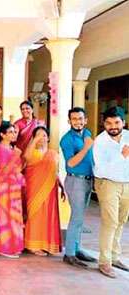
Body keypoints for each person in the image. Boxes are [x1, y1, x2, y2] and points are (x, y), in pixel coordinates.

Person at [93, 107, 129, 278]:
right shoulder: (100, 142)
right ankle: (105, 261)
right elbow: (101, 168)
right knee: (110, 222)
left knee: (121, 221)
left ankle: (115, 256)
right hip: (107, 183)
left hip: (127, 184)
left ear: (123, 122)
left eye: (116, 122)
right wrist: (121, 156)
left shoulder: (128, 136)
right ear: (104, 124)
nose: (113, 126)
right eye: (109, 123)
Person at [59, 107, 96, 268]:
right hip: (75, 181)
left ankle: (77, 248)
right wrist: (86, 147)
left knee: (81, 218)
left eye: (80, 118)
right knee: (76, 217)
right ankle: (69, 254)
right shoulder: (66, 139)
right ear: (69, 121)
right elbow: (71, 163)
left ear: (85, 120)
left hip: (88, 179)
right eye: (74, 119)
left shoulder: (86, 133)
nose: (78, 122)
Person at [23, 126, 62, 256]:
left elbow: (55, 172)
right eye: (38, 135)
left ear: (48, 138)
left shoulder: (53, 153)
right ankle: (32, 245)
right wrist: (34, 141)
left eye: (44, 135)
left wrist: (61, 185)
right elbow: (27, 157)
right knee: (35, 214)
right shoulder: (32, 152)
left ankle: (46, 244)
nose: (41, 138)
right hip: (34, 188)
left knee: (48, 215)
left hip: (50, 189)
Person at [0, 124, 25, 258]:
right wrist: (15, 156)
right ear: (2, 135)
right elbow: (4, 170)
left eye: (14, 132)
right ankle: (5, 247)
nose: (13, 134)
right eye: (10, 132)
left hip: (14, 186)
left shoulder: (11, 148)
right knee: (6, 216)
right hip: (5, 186)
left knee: (15, 216)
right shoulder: (0, 149)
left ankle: (15, 245)